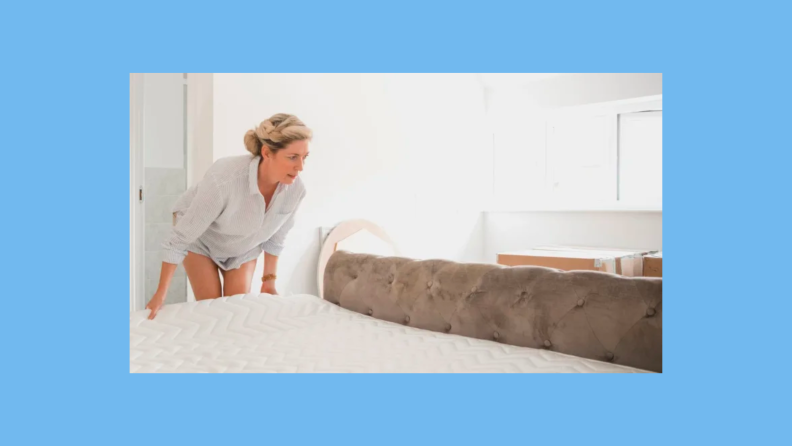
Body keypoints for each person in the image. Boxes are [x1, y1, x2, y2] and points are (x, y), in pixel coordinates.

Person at [145, 113, 311, 320]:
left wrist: (269, 281)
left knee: (235, 313)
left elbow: (276, 239)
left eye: (305, 157)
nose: (301, 167)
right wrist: (161, 294)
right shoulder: (225, 178)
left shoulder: (296, 190)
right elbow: (178, 240)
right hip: (202, 241)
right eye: (293, 157)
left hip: (243, 248)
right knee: (213, 310)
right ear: (267, 152)